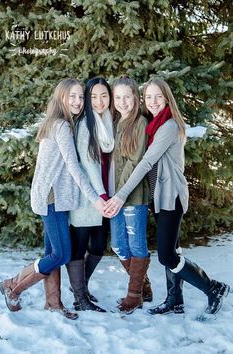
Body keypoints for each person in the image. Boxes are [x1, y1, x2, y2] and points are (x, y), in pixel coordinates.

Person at [105, 77, 230, 315]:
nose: (152, 101)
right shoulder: (154, 125)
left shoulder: (169, 126)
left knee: (167, 255)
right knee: (175, 249)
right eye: (148, 97)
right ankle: (175, 300)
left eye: (158, 96)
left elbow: (146, 162)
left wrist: (120, 196)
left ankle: (212, 287)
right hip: (161, 197)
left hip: (171, 197)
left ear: (167, 98)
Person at [0, 78, 106, 320]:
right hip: (52, 198)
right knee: (61, 255)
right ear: (61, 98)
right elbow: (74, 167)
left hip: (52, 196)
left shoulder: (57, 123)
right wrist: (96, 198)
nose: (78, 101)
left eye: (80, 97)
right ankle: (13, 286)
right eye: (73, 97)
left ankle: (53, 303)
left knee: (52, 251)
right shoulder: (62, 127)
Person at [66, 77, 114, 312]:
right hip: (87, 196)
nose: (99, 101)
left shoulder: (107, 121)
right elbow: (88, 161)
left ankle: (79, 288)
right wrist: (101, 195)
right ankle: (80, 298)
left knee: (98, 246)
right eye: (93, 96)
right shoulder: (86, 123)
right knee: (80, 245)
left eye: (103, 95)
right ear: (87, 97)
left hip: (104, 193)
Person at [109, 76, 153, 314]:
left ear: (136, 98)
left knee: (136, 243)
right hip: (115, 196)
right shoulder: (116, 122)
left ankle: (134, 294)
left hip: (133, 196)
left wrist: (120, 194)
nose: (123, 102)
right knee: (117, 244)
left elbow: (134, 162)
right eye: (118, 97)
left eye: (127, 96)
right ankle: (143, 284)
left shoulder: (140, 123)